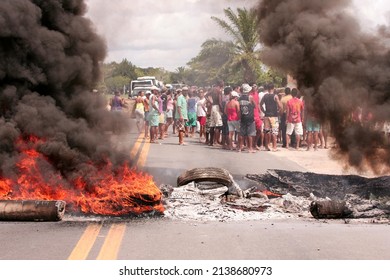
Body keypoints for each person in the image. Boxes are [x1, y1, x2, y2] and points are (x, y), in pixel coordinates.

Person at [260, 83, 282, 152]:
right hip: (274, 116)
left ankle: (267, 146)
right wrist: (279, 111)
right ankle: (274, 147)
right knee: (274, 132)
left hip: (267, 115)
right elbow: (280, 106)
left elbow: (260, 104)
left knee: (267, 131)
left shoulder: (265, 96)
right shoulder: (275, 96)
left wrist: (264, 111)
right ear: (273, 88)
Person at [238, 84, 256, 153]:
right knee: (250, 134)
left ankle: (240, 147)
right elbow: (254, 105)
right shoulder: (250, 97)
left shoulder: (240, 98)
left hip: (243, 117)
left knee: (242, 133)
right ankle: (250, 148)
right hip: (250, 117)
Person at [207, 80, 224, 146]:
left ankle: (211, 141)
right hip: (217, 107)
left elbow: (206, 95)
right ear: (221, 84)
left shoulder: (213, 89)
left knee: (212, 125)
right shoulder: (219, 91)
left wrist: (210, 101)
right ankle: (216, 141)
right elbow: (220, 102)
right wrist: (222, 109)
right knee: (218, 125)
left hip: (213, 107)